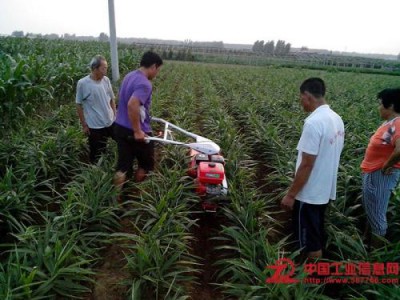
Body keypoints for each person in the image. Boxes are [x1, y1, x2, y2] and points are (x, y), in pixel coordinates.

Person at [281, 77, 345, 259]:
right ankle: (315, 278)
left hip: (308, 193)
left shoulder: (313, 122)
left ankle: (308, 283)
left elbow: (307, 163)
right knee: (315, 232)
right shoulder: (336, 118)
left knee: (309, 241)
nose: (301, 101)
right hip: (324, 190)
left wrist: (291, 194)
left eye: (301, 97)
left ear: (308, 96)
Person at [113, 51, 163, 194]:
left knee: (123, 166)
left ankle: (115, 198)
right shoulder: (144, 83)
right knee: (146, 164)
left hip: (120, 127)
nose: (157, 73)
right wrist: (137, 131)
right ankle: (135, 196)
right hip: (134, 131)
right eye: (158, 70)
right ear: (153, 66)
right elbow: (132, 104)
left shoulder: (129, 76)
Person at [360, 88, 400, 247]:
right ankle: (367, 245)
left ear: (390, 105)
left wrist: (386, 166)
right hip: (374, 174)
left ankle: (376, 256)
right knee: (373, 212)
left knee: (377, 216)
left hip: (380, 175)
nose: (379, 107)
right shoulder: (390, 123)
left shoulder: (398, 123)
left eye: (380, 104)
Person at [76, 55, 116, 163]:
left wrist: (115, 115)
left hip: (110, 121)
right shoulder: (83, 83)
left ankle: (109, 163)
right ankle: (94, 172)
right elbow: (78, 104)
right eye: (103, 68)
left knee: (121, 140)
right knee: (96, 152)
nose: (106, 71)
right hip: (95, 125)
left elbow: (112, 99)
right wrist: (84, 125)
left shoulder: (106, 80)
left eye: (106, 68)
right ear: (94, 69)